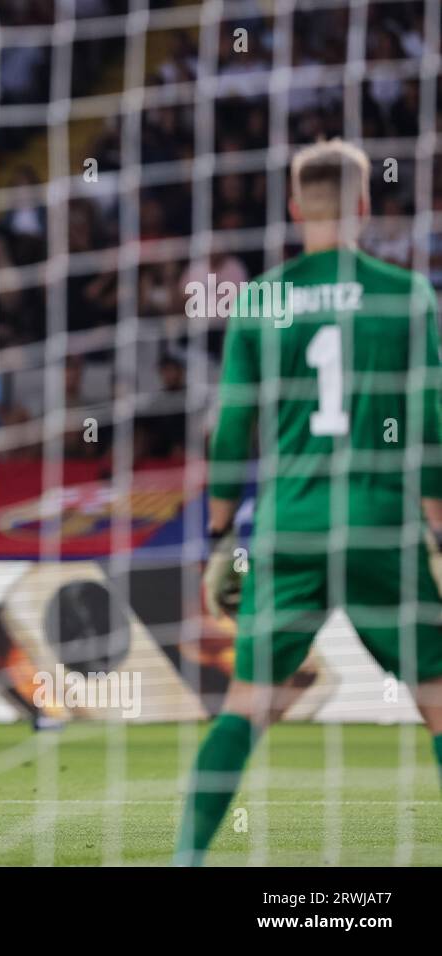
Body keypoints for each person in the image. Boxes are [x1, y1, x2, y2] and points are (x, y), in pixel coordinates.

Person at [177, 140, 442, 864]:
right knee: (438, 701)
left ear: (295, 211)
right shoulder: (407, 295)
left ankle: (185, 859)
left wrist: (220, 534)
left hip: (291, 527)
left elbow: (232, 427)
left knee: (246, 707)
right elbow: (433, 427)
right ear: (363, 204)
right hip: (381, 525)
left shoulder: (261, 300)